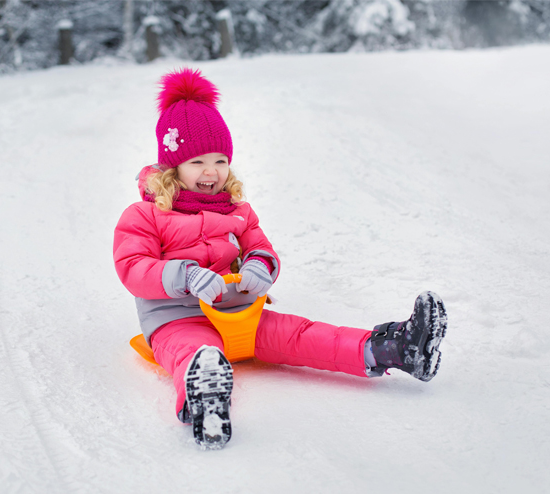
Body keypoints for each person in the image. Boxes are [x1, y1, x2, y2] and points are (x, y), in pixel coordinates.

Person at [113, 68, 447, 450]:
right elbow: (133, 267)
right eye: (198, 162)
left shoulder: (238, 210)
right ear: (172, 167)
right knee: (195, 351)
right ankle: (205, 395)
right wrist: (185, 275)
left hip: (240, 314)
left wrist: (260, 266)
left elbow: (262, 248)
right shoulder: (145, 215)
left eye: (221, 160)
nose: (212, 172)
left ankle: (395, 349)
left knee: (300, 333)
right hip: (178, 319)